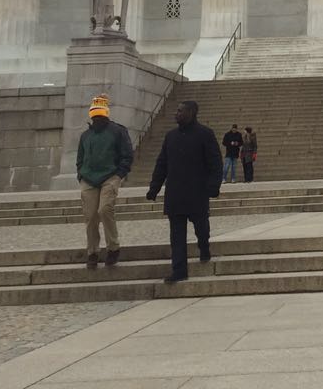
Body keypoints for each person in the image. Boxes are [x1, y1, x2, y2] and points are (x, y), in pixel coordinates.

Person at [147, 100, 223, 283]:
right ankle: (179, 270)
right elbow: (162, 164)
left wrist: (213, 186)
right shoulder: (171, 136)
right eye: (177, 110)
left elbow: (215, 162)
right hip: (175, 192)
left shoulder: (205, 134)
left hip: (197, 192)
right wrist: (154, 188)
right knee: (176, 235)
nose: (176, 113)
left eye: (180, 111)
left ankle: (204, 247)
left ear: (191, 113)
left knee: (201, 228)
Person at [76, 93, 134, 268]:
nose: (97, 119)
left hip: (110, 176)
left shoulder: (118, 131)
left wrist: (120, 174)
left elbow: (127, 154)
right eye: (95, 115)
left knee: (105, 209)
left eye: (99, 115)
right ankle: (92, 252)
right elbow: (80, 158)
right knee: (90, 216)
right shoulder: (85, 135)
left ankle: (113, 247)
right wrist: (81, 174)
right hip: (88, 178)